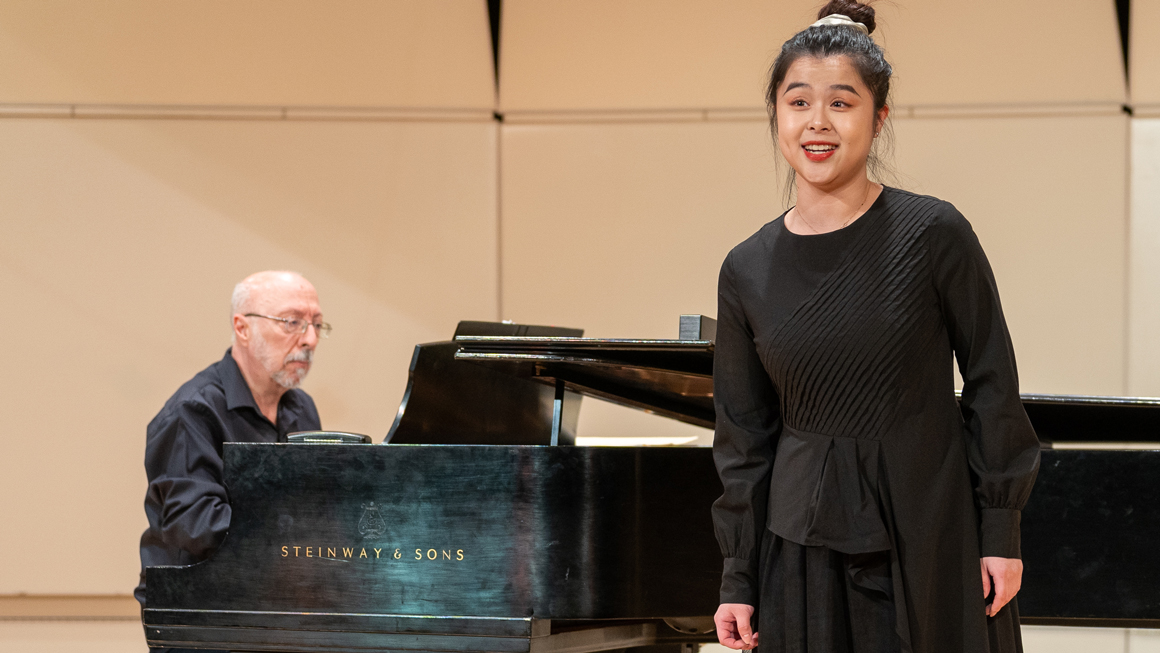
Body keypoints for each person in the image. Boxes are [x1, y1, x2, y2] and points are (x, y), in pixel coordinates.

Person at [710, 2, 1041, 652]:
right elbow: (743, 439)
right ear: (776, 114)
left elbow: (992, 383)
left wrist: (1001, 532)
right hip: (800, 552)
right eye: (798, 101)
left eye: (842, 102)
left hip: (929, 532)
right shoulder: (745, 268)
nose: (817, 122)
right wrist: (737, 574)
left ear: (879, 115)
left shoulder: (934, 233)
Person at [136, 271, 327, 622]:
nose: (310, 339)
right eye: (292, 322)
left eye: (317, 324)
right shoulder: (192, 411)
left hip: (276, 607)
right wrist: (297, 528)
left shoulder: (301, 409)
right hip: (201, 611)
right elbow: (195, 524)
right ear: (243, 328)